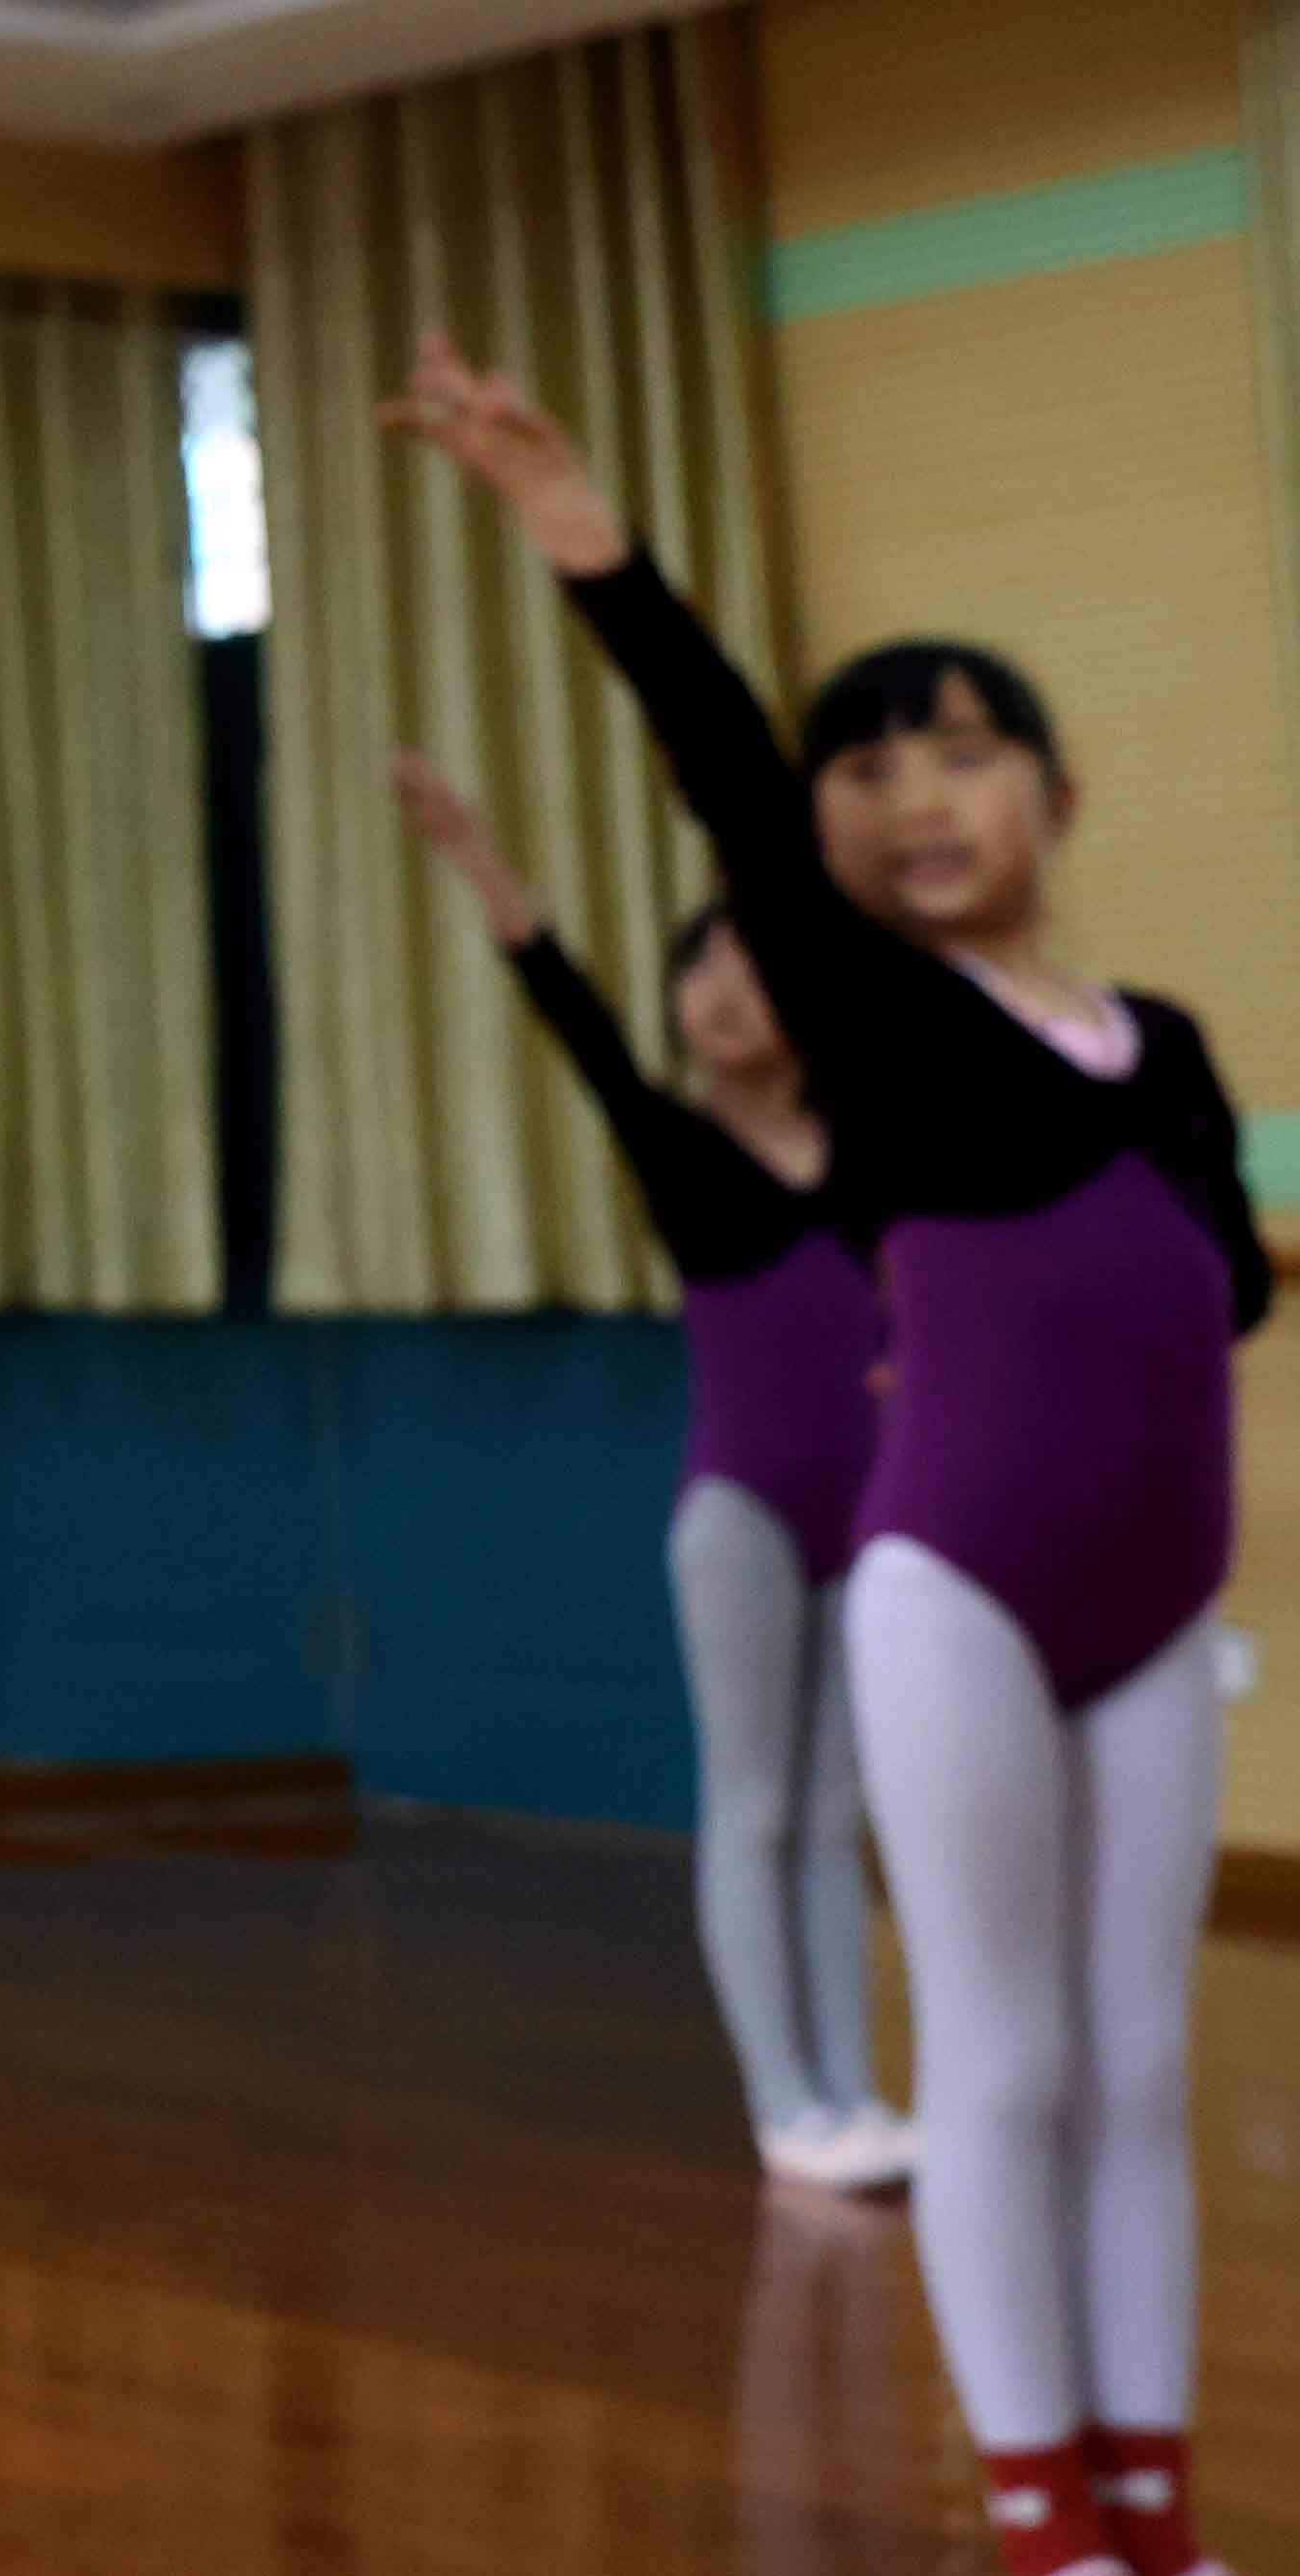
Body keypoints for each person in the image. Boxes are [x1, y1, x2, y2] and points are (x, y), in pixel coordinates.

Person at [393, 353, 1263, 2576]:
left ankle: (1156, 2500)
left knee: (1136, 2057)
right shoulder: (870, 1015)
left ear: (1058, 782)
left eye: (964, 747)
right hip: (955, 1572)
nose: (916, 793)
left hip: (1162, 1590)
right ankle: (1041, 2500)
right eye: (866, 767)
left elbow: (1228, 1278)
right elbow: (712, 760)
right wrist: (580, 524)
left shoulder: (1161, 1041)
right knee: (996, 2050)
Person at [392, 751, 899, 2195]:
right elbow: (569, 1009)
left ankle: (852, 2088)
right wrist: (476, 852)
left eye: (750, 967)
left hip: (867, 1518)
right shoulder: (675, 1143)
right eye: (699, 974)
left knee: (831, 1810)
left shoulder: (870, 1149)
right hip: (739, 1509)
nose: (720, 994)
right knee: (751, 1800)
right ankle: (780, 2100)